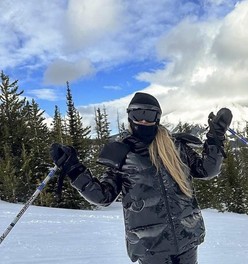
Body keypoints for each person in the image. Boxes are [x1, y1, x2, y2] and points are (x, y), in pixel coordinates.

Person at [49, 92, 232, 264]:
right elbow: (102, 196)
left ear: (157, 118)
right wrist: (74, 169)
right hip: (150, 246)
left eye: (149, 115)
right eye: (138, 114)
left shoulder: (176, 147)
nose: (143, 120)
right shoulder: (121, 153)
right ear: (130, 117)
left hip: (187, 236)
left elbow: (207, 170)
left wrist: (216, 137)